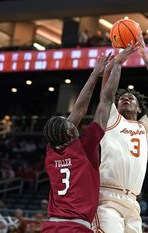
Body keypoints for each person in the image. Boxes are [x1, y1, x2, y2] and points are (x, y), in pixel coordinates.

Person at [42, 44, 138, 233]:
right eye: (69, 122)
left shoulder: (52, 152)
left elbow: (78, 110)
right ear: (69, 132)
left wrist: (95, 73)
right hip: (75, 226)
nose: (73, 120)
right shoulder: (85, 147)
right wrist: (117, 65)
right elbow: (106, 101)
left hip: (51, 225)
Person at [93, 32, 148, 232]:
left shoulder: (146, 127)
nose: (125, 98)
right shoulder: (112, 118)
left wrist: (145, 57)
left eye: (131, 98)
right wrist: (115, 64)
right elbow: (106, 94)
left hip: (133, 202)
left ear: (139, 109)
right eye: (122, 98)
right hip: (107, 198)